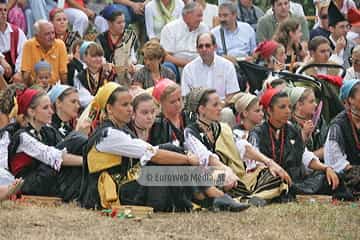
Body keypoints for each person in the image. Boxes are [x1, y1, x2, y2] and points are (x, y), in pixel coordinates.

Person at [79, 82, 249, 211]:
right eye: (125, 105)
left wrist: (221, 169)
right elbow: (154, 154)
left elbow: (198, 152)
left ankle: (211, 195)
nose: (130, 110)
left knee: (172, 158)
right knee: (170, 155)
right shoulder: (109, 134)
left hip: (159, 178)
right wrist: (188, 159)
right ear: (109, 108)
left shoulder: (181, 120)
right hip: (113, 192)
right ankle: (211, 195)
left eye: (179, 100)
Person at [184, 88, 290, 202]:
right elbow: (206, 157)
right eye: (215, 105)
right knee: (219, 180)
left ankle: (247, 198)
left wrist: (270, 163)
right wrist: (226, 170)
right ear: (202, 109)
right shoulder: (190, 132)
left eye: (220, 104)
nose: (220, 108)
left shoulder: (222, 128)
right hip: (214, 176)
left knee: (274, 175)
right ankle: (248, 198)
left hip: (235, 176)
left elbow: (243, 146)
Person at [248, 87, 340, 197]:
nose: (288, 111)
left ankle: (288, 189)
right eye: (282, 107)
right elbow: (254, 165)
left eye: (289, 107)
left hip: (292, 179)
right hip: (270, 177)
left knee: (326, 176)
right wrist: (274, 169)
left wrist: (326, 168)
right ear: (269, 110)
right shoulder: (257, 133)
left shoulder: (291, 130)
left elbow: (304, 155)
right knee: (271, 178)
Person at [4, 87, 84, 201]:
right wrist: (87, 161)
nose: (51, 111)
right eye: (45, 108)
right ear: (31, 112)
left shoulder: (47, 131)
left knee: (77, 142)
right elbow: (52, 156)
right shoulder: (23, 136)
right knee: (75, 141)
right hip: (28, 184)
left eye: (50, 107)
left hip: (44, 178)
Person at [324, 79, 360, 199]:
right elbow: (334, 161)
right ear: (350, 100)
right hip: (348, 173)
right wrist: (353, 169)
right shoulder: (338, 125)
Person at [181, 32, 240, 103]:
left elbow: (232, 96)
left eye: (207, 45)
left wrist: (216, 107)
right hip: (198, 110)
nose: (204, 49)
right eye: (200, 46)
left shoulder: (227, 66)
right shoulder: (188, 69)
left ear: (215, 47)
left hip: (222, 108)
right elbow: (186, 98)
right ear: (197, 49)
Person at [96, 5, 137, 87]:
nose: (122, 25)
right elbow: (101, 60)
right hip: (109, 73)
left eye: (123, 22)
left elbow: (133, 58)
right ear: (110, 23)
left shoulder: (129, 36)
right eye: (119, 22)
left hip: (127, 70)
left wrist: (131, 64)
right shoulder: (101, 39)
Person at [160, 2, 209, 69]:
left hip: (201, 66)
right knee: (168, 66)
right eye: (199, 16)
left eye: (201, 16)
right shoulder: (170, 29)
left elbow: (209, 50)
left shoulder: (204, 28)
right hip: (177, 66)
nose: (201, 19)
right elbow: (165, 57)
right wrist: (189, 65)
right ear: (187, 16)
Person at [21, 20, 68, 86]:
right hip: (36, 87)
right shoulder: (29, 45)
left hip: (55, 87)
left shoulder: (60, 44)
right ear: (37, 36)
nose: (51, 37)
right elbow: (26, 73)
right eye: (47, 34)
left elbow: (63, 73)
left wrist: (63, 91)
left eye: (53, 33)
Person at [287, 86, 328, 160]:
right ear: (299, 105)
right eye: (311, 101)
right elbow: (292, 156)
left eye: (315, 101)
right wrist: (304, 134)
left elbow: (328, 149)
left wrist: (309, 157)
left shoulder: (319, 120)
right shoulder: (288, 125)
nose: (315, 104)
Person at [150, 79, 193, 147]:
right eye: (172, 102)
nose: (178, 104)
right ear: (161, 104)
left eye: (179, 99)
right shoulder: (157, 124)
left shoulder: (188, 116)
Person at [74, 41, 117, 108]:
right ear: (84, 57)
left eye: (100, 56)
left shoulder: (110, 73)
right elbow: (83, 100)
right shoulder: (80, 77)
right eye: (94, 56)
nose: (98, 59)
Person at [232, 92, 264, 172]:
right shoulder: (236, 134)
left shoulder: (258, 131)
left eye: (262, 110)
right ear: (245, 113)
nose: (262, 114)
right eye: (257, 111)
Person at [0, 0, 27, 83]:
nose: (3, 13)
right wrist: (1, 60)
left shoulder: (17, 31)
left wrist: (18, 72)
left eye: (5, 10)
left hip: (14, 69)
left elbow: (24, 52)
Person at [327, 0, 354, 69]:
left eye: (347, 26)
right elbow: (326, 69)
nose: (346, 30)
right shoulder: (324, 45)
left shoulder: (352, 44)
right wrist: (337, 51)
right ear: (331, 29)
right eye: (342, 27)